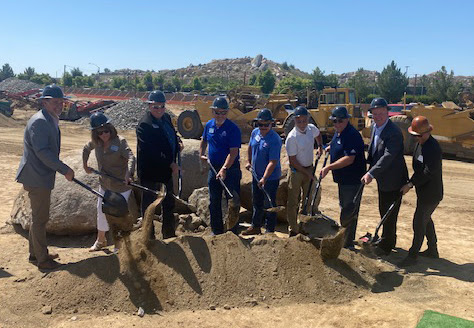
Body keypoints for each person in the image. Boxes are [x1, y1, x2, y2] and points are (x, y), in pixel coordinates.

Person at [15, 85, 75, 270]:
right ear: (44, 102)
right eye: (55, 102)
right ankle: (42, 259)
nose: (59, 105)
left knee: (38, 217)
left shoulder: (49, 119)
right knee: (40, 219)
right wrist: (64, 168)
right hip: (36, 177)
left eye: (61, 102)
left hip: (39, 175)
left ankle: (36, 253)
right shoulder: (40, 122)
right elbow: (42, 152)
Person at [361, 98, 408, 256]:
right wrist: (368, 167)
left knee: (390, 213)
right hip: (383, 178)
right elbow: (374, 151)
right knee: (383, 209)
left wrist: (372, 173)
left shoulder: (393, 132)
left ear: (387, 113)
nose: (378, 116)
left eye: (381, 113)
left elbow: (388, 156)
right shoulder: (375, 127)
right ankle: (387, 238)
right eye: (375, 113)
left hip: (394, 179)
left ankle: (387, 245)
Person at [83, 112, 135, 252]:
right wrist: (85, 165)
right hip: (105, 185)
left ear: (111, 128)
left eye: (106, 130)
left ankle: (120, 245)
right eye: (100, 132)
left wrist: (128, 174)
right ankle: (101, 240)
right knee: (101, 211)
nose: (104, 134)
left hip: (120, 186)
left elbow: (131, 157)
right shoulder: (97, 143)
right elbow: (86, 149)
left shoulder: (120, 142)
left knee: (118, 215)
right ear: (95, 134)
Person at [398, 116, 443, 267]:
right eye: (414, 136)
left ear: (426, 133)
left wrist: (410, 184)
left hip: (431, 194)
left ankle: (412, 256)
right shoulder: (420, 144)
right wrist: (410, 181)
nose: (416, 139)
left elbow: (428, 172)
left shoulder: (433, 148)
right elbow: (418, 168)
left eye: (418, 136)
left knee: (419, 222)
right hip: (422, 191)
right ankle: (432, 250)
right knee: (426, 219)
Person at [136, 90, 181, 239]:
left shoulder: (166, 118)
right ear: (149, 106)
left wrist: (178, 141)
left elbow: (172, 134)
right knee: (149, 205)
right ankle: (148, 237)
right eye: (155, 107)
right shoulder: (144, 125)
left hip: (165, 172)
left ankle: (168, 234)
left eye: (162, 106)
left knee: (168, 202)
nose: (159, 110)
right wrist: (170, 163)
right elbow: (151, 151)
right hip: (150, 171)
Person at [320, 106, 366, 250]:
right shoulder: (339, 132)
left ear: (347, 120)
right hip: (342, 180)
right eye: (334, 121)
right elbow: (337, 144)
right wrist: (329, 147)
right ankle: (345, 238)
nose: (337, 124)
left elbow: (349, 159)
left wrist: (328, 167)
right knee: (344, 207)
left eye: (340, 121)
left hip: (352, 179)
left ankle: (347, 242)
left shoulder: (351, 135)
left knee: (349, 210)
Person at [199, 97, 242, 235]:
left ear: (227, 112)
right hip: (213, 167)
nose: (220, 116)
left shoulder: (233, 129)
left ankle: (232, 231)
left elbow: (233, 152)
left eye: (223, 113)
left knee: (232, 200)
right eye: (217, 112)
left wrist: (224, 169)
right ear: (213, 112)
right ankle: (216, 230)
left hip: (231, 169)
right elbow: (204, 140)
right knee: (214, 200)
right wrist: (201, 155)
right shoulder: (209, 125)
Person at [242, 108, 282, 235]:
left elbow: (273, 162)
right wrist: (248, 161)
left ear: (271, 124)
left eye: (266, 124)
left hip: (270, 178)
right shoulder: (255, 133)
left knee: (270, 203)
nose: (263, 127)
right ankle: (256, 226)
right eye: (260, 124)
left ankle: (270, 230)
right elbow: (250, 147)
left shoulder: (274, 139)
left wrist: (264, 178)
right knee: (257, 201)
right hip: (256, 175)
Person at [285, 106, 323, 236]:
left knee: (308, 198)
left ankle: (304, 224)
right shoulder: (291, 138)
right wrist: (308, 174)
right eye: (299, 121)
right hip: (296, 171)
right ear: (295, 121)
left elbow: (318, 135)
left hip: (309, 168)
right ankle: (293, 229)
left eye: (304, 120)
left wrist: (320, 146)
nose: (302, 124)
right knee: (293, 200)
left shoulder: (311, 129)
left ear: (307, 119)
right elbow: (293, 161)